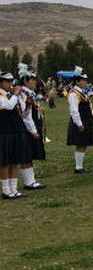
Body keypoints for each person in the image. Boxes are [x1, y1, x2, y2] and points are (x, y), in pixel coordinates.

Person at [1, 71, 32, 199]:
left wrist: (26, 101)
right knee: (5, 161)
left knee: (14, 160)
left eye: (11, 81)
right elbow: (7, 106)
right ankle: (6, 191)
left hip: (16, 129)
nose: (10, 84)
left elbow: (22, 111)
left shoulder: (11, 94)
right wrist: (15, 94)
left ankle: (14, 189)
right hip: (4, 131)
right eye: (7, 82)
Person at [16, 64, 46, 190]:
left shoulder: (29, 93)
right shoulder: (22, 93)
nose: (35, 81)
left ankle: (31, 181)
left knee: (29, 155)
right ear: (25, 80)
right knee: (26, 155)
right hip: (26, 128)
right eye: (32, 79)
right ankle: (29, 182)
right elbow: (25, 115)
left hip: (32, 125)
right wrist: (33, 130)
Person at [66, 66, 93, 174]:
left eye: (85, 80)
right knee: (80, 144)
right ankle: (78, 167)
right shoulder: (74, 93)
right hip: (80, 121)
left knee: (84, 144)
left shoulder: (82, 92)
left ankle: (80, 166)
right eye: (83, 80)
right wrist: (79, 123)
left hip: (86, 120)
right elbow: (74, 110)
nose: (85, 82)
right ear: (77, 81)